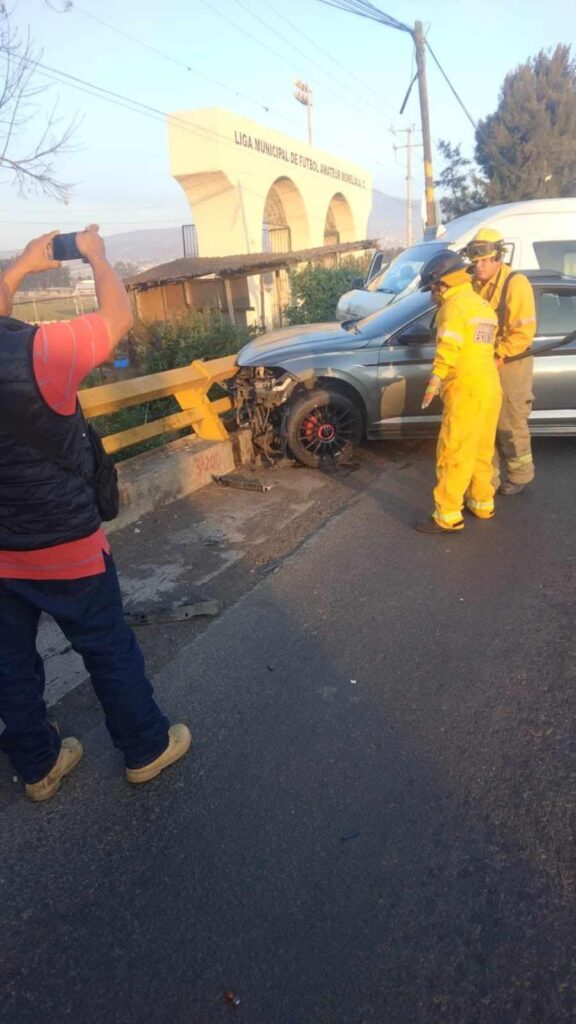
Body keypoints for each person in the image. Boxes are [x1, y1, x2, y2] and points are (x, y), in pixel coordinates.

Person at [0, 227, 191, 802]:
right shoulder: (42, 351)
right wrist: (96, 258)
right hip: (67, 549)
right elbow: (117, 316)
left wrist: (17, 272)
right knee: (107, 648)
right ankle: (144, 750)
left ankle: (38, 767)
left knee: (9, 665)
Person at [415, 251, 502, 535]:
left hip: (465, 387)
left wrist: (434, 382)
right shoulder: (481, 304)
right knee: (481, 448)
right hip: (490, 385)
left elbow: (448, 349)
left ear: (442, 283)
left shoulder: (452, 308)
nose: (432, 293)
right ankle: (482, 501)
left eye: (432, 287)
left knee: (454, 450)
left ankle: (448, 514)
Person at [465, 227, 537, 495]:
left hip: (511, 363)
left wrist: (497, 356)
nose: (479, 266)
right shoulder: (474, 284)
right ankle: (488, 479)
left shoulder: (515, 284)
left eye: (484, 260)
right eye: (475, 261)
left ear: (499, 257)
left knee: (509, 421)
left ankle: (520, 475)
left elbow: (523, 332)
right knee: (484, 424)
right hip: (483, 362)